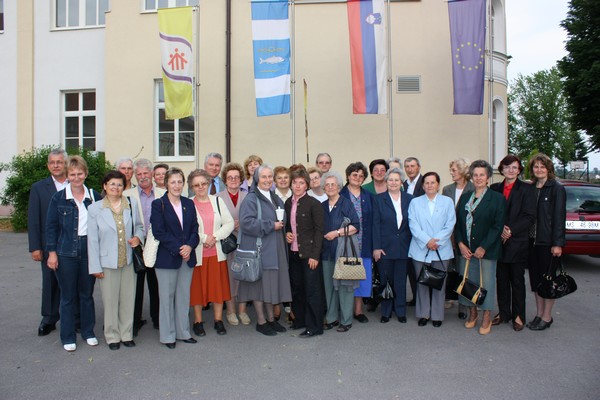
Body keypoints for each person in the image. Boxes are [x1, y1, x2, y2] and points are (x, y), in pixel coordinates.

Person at [46, 155, 101, 352]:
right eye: (72, 174)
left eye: (80, 173)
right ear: (67, 175)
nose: (76, 178)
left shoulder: (94, 196)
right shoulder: (58, 198)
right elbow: (51, 227)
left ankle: (88, 332)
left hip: (88, 252)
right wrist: (52, 253)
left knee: (86, 294)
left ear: (85, 173)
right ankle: (68, 336)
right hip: (66, 252)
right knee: (68, 296)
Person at [87, 170, 145, 350]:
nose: (116, 187)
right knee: (110, 301)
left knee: (128, 299)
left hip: (128, 260)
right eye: (112, 184)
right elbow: (92, 240)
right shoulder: (95, 208)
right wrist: (95, 266)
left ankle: (126, 334)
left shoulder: (131, 203)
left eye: (119, 184)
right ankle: (112, 336)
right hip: (107, 263)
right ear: (105, 186)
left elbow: (140, 227)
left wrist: (138, 237)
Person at [237, 165, 292, 336]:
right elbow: (246, 223)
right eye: (264, 177)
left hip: (275, 248)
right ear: (256, 179)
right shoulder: (251, 199)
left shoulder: (275, 197)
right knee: (259, 287)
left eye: (270, 176)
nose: (267, 180)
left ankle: (271, 319)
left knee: (270, 285)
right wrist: (270, 225)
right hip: (260, 248)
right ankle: (261, 322)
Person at [150, 168, 200, 349]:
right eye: (173, 182)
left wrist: (190, 246)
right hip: (167, 258)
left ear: (184, 184)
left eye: (180, 182)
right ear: (166, 184)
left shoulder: (189, 203)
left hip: (187, 257)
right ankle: (168, 336)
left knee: (183, 297)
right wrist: (180, 248)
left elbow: (195, 229)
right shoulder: (158, 204)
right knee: (166, 298)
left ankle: (183, 332)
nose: (177, 185)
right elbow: (159, 231)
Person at [454, 160, 505, 335]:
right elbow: (458, 224)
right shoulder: (465, 197)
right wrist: (460, 244)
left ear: (488, 177)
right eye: (475, 175)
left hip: (487, 250)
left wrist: (484, 246)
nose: (478, 178)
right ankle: (473, 313)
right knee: (469, 281)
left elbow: (497, 226)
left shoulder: (497, 199)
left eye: (482, 175)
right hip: (466, 249)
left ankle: (486, 316)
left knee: (486, 282)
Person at [490, 155, 535, 332]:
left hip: (517, 242)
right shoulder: (494, 188)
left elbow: (529, 216)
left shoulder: (526, 189)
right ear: (501, 169)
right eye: (507, 167)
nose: (511, 170)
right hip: (498, 242)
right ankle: (503, 313)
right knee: (501, 280)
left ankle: (518, 316)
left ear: (519, 170)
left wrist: (510, 230)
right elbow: (491, 214)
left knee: (517, 281)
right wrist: (500, 229)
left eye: (514, 167)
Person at [188, 169, 235, 337]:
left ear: (209, 184)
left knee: (217, 289)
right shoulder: (188, 204)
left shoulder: (217, 201)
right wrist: (203, 238)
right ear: (192, 187)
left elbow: (229, 223)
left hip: (216, 253)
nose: (201, 187)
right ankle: (198, 321)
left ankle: (218, 320)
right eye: (196, 185)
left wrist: (214, 237)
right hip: (198, 254)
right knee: (197, 290)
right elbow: (186, 228)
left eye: (203, 183)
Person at [28, 148, 68, 336]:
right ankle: (49, 318)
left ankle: (75, 318)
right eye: (52, 162)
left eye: (59, 162)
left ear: (65, 164)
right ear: (48, 165)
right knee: (50, 282)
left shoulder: (75, 184)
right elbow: (34, 219)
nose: (56, 165)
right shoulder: (38, 188)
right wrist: (35, 247)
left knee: (73, 282)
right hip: (48, 244)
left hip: (72, 244)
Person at [408, 172, 456, 327]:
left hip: (441, 249)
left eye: (433, 182)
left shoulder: (447, 202)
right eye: (426, 183)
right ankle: (423, 314)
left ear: (438, 184)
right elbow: (413, 224)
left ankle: (437, 315)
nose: (429, 185)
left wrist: (436, 241)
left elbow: (450, 224)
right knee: (421, 283)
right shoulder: (415, 202)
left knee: (439, 283)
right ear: (423, 185)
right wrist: (427, 241)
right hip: (420, 248)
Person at [124, 158, 166, 334]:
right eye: (139, 174)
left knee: (157, 285)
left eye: (145, 173)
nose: (142, 177)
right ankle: (134, 321)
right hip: (137, 246)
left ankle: (158, 319)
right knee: (136, 286)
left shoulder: (164, 193)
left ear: (152, 173)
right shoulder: (127, 195)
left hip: (159, 246)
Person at [526, 153, 566, 331]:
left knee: (548, 281)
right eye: (536, 166)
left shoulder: (556, 188)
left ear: (549, 169)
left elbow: (559, 218)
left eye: (542, 166)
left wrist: (557, 243)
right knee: (536, 281)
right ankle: (539, 314)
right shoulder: (531, 188)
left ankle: (547, 316)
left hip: (548, 243)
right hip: (531, 241)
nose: (539, 169)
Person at [284, 166, 325, 337]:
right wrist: (287, 233)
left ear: (307, 185)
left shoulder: (314, 204)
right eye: (295, 182)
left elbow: (319, 231)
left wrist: (315, 255)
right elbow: (288, 226)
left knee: (312, 291)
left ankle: (314, 326)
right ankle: (300, 320)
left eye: (301, 183)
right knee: (297, 289)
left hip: (309, 255)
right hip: (293, 254)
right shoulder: (288, 203)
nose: (298, 186)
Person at [372, 168, 413, 324]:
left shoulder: (410, 199)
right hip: (385, 247)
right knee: (386, 280)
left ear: (401, 182)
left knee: (401, 281)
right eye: (390, 180)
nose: (393, 182)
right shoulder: (378, 199)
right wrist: (376, 247)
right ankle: (386, 311)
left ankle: (400, 310)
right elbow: (375, 224)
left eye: (396, 180)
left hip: (404, 246)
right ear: (386, 182)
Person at [321, 171, 360, 333]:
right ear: (324, 188)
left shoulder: (346, 203)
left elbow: (355, 226)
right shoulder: (322, 206)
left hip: (344, 252)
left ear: (339, 187)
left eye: (333, 184)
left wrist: (337, 233)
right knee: (329, 287)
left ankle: (346, 320)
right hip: (326, 253)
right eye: (327, 185)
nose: (330, 187)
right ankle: (331, 318)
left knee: (345, 286)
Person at [217, 162, 251, 326]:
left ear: (241, 179)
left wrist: (241, 224)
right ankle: (230, 311)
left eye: (236, 177)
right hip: (227, 243)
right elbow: (214, 221)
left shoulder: (248, 196)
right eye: (230, 177)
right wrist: (229, 225)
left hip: (245, 241)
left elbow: (254, 217)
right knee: (229, 278)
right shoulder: (217, 198)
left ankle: (242, 311)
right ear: (225, 179)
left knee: (244, 277)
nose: (233, 180)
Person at [340, 162, 374, 323]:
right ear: (348, 176)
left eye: (361, 176)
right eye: (355, 174)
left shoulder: (368, 196)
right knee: (346, 277)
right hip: (345, 242)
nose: (358, 178)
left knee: (361, 277)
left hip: (364, 242)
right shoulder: (340, 194)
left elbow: (374, 221)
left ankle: (358, 310)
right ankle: (344, 310)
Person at [442, 157, 474, 319]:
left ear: (463, 171)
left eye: (454, 170)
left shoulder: (473, 188)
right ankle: (448, 297)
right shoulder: (447, 189)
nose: (451, 172)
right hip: (449, 236)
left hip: (466, 237)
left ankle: (464, 306)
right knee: (449, 269)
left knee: (464, 272)